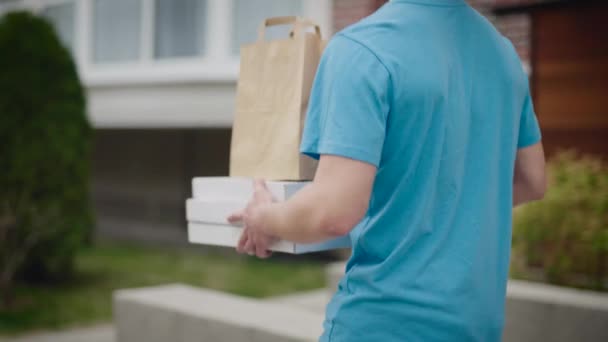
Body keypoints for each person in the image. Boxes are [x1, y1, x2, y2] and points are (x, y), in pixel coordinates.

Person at [228, 0, 546, 340]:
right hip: (476, 327)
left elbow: (331, 213)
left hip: (384, 324)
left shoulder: (363, 48)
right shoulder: (503, 56)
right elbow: (532, 180)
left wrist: (264, 218)